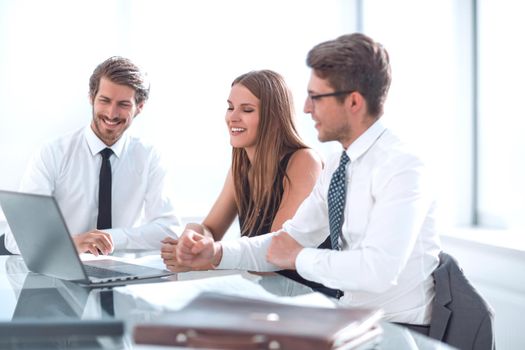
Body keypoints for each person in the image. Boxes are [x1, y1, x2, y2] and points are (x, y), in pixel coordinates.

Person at [175, 33, 441, 329]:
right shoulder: (340, 167)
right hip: (349, 321)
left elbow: (378, 270)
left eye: (316, 97)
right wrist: (215, 253)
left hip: (400, 330)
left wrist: (298, 257)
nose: (305, 107)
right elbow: (284, 243)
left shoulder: (402, 166)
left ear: (353, 102)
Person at [4, 56, 180, 255]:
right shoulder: (53, 154)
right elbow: (14, 237)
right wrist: (73, 243)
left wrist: (110, 238)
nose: (111, 114)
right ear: (91, 97)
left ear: (139, 107)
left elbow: (169, 230)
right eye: (104, 101)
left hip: (122, 275)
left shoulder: (149, 157)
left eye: (123, 104)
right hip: (60, 272)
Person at [160, 70, 322, 275]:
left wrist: (207, 261)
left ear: (273, 117)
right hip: (264, 294)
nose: (232, 117)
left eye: (247, 110)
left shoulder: (304, 161)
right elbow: (211, 229)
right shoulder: (241, 168)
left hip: (307, 296)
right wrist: (194, 238)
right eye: (230, 107)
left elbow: (277, 253)